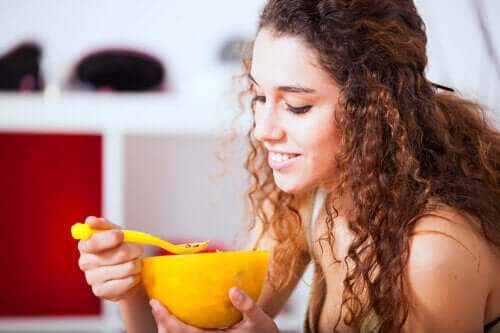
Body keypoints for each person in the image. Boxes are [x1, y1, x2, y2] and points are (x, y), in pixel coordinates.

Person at [76, 0, 500, 332]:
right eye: (260, 97)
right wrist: (132, 288)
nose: (262, 129)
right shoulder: (307, 199)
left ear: (374, 109)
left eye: (296, 106)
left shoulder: (434, 250)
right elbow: (208, 327)